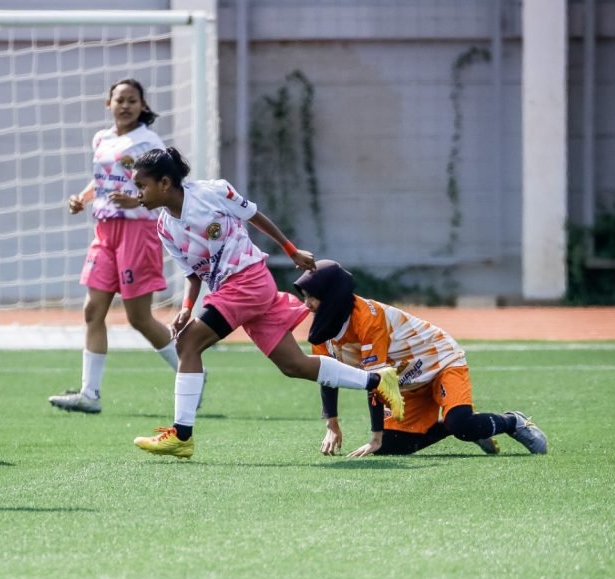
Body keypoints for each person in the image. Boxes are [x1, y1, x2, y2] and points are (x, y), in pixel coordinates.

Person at [129, 148, 405, 460]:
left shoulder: (213, 192)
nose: (137, 194)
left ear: (164, 183)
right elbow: (193, 275)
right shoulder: (165, 227)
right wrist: (186, 309)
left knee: (188, 344)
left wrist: (291, 250)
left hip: (247, 280)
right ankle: (377, 379)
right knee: (294, 365)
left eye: (141, 186)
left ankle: (182, 434)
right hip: (238, 290)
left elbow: (254, 216)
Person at [292, 260, 549, 457]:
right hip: (405, 381)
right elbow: (327, 374)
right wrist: (332, 424)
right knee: (391, 447)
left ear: (333, 294)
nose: (307, 304)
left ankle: (512, 421)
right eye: (305, 296)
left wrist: (374, 435)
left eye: (312, 296)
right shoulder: (323, 330)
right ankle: (461, 425)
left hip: (440, 361)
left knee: (462, 424)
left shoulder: (368, 319)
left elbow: (377, 380)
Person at [48, 78, 179, 414]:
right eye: (119, 100)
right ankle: (89, 394)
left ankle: (189, 370)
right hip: (104, 232)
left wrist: (137, 201)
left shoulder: (149, 141)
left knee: (138, 318)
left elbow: (168, 186)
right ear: (108, 104)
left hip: (137, 232)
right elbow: (103, 179)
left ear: (143, 106)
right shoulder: (102, 139)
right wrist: (83, 197)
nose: (125, 105)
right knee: (93, 311)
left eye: (132, 100)